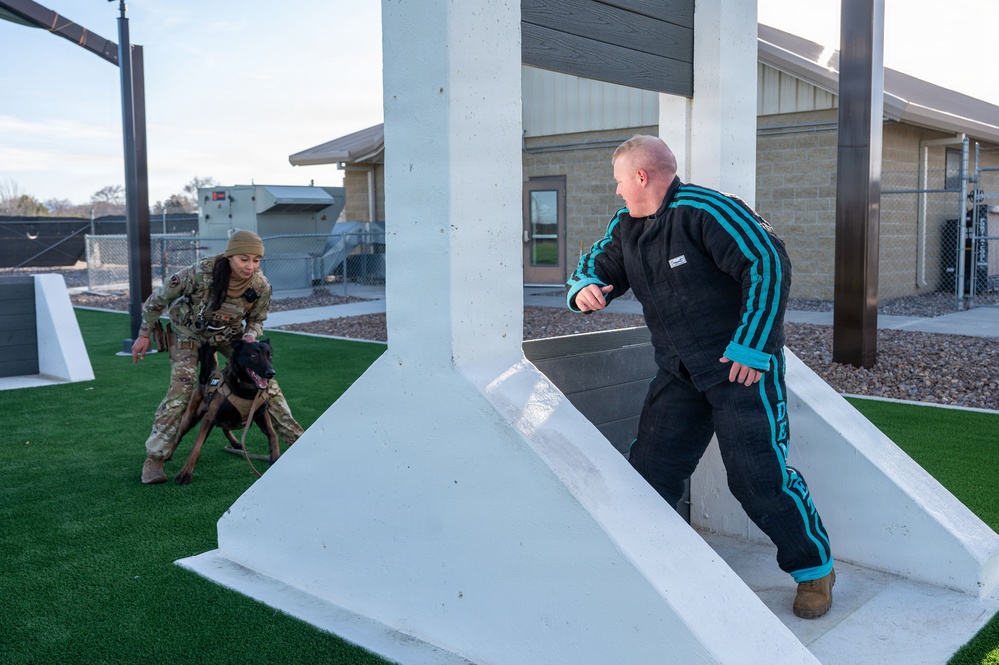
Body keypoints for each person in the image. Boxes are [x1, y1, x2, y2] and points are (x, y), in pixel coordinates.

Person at [566, 135, 835, 619]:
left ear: (641, 177)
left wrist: (754, 346)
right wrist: (586, 285)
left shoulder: (708, 210)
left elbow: (768, 263)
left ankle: (815, 569)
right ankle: (649, 560)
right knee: (650, 473)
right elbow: (598, 264)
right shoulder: (626, 226)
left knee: (758, 480)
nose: (617, 191)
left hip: (741, 369)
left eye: (619, 181)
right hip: (678, 373)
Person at [132, 229, 304, 485]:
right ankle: (155, 459)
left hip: (227, 334)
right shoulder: (199, 273)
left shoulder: (259, 286)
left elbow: (257, 320)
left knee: (269, 388)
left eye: (256, 260)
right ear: (231, 255)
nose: (250, 266)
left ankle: (300, 444)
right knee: (182, 390)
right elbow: (157, 301)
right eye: (244, 259)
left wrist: (250, 336)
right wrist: (144, 334)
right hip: (187, 333)